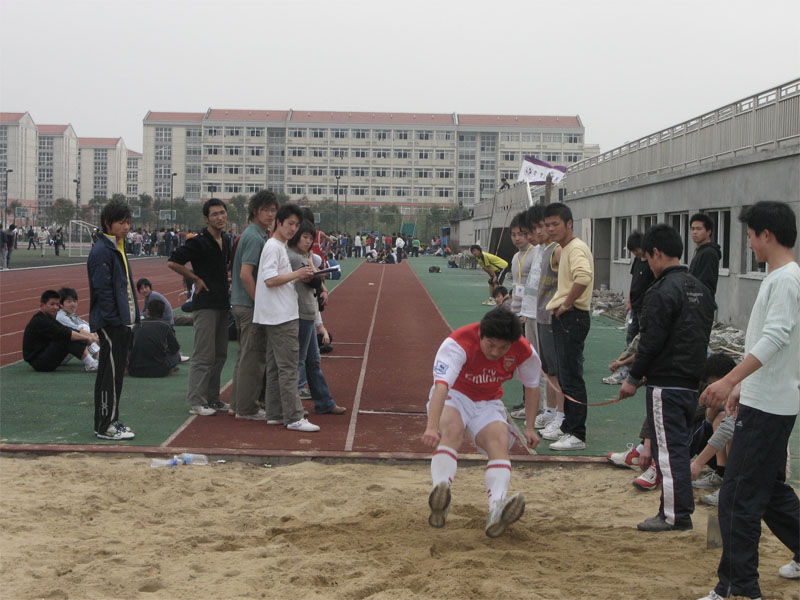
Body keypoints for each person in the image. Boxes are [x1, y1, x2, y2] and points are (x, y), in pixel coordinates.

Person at [697, 201, 800, 600]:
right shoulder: (781, 278)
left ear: (766, 235)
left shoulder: (786, 280)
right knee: (767, 493)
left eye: (751, 236)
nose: (750, 244)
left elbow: (775, 338)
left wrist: (730, 380)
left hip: (768, 408)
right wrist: (743, 386)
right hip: (767, 400)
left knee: (737, 498)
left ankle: (738, 589)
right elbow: (776, 344)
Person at [618, 223, 715, 531]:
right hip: (692, 381)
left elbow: (651, 341)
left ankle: (674, 515)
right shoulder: (701, 289)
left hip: (666, 383)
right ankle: (678, 511)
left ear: (656, 253)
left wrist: (633, 378)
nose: (648, 264)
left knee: (669, 452)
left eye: (647, 258)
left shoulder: (660, 291)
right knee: (678, 448)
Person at [422, 307, 541, 538]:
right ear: (481, 335)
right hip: (456, 395)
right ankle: (441, 494)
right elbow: (441, 387)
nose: (495, 352)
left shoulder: (524, 350)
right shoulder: (458, 343)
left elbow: (532, 385)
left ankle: (497, 508)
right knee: (453, 430)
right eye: (490, 345)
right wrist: (431, 427)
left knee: (499, 440)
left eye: (503, 348)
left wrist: (529, 427)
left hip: (488, 401)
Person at [253, 203, 320, 432]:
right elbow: (270, 280)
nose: (293, 229)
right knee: (289, 368)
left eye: (296, 225)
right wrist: (297, 274)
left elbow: (276, 278)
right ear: (278, 223)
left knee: (275, 367)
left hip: (277, 313)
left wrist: (296, 276)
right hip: (281, 316)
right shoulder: (273, 247)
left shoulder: (277, 246)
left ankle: (275, 412)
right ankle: (294, 416)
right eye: (290, 223)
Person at [167, 198, 231, 416]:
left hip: (223, 304)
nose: (220, 217)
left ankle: (213, 398)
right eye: (215, 214)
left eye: (222, 212)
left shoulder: (226, 240)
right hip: (205, 305)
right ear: (206, 218)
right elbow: (173, 261)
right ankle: (196, 401)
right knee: (203, 355)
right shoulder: (198, 241)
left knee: (220, 355)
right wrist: (195, 278)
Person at [543, 202, 594, 451]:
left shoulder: (575, 248)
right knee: (565, 376)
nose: (550, 229)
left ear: (569, 224)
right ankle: (567, 428)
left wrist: (565, 305)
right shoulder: (565, 249)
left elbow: (583, 277)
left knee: (572, 377)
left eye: (555, 224)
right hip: (567, 317)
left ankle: (577, 433)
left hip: (573, 317)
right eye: (547, 225)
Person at [87, 199, 139, 440]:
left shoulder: (117, 246)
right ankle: (107, 424)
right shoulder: (102, 251)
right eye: (121, 223)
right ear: (108, 223)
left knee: (113, 374)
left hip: (121, 321)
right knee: (111, 375)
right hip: (111, 323)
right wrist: (114, 320)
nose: (126, 227)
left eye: (128, 222)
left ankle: (107, 421)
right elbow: (103, 290)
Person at [287, 219, 346, 416]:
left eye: (311, 238)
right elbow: (313, 281)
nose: (308, 241)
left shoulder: (304, 256)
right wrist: (317, 275)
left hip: (308, 312)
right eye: (305, 237)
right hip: (300, 312)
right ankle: (292, 406)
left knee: (313, 361)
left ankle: (324, 402)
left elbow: (315, 278)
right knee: (299, 361)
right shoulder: (294, 257)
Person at [229, 190, 277, 420]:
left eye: (273, 210)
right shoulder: (255, 237)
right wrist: (260, 304)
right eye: (266, 210)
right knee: (253, 359)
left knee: (245, 357)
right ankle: (247, 408)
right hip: (249, 305)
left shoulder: (255, 234)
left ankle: (237, 404)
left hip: (241, 303)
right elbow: (245, 274)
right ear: (255, 211)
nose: (270, 214)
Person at [23, 290, 99, 372]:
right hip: (39, 363)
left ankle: (96, 359)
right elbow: (66, 333)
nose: (55, 307)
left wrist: (90, 338)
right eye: (52, 304)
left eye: (57, 304)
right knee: (68, 337)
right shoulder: (40, 320)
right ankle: (91, 363)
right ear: (42, 305)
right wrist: (88, 338)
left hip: (47, 354)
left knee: (73, 334)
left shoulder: (49, 317)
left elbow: (66, 329)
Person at [128, 299, 181, 378]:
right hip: (159, 371)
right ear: (162, 313)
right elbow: (175, 348)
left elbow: (129, 347)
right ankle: (169, 368)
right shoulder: (166, 325)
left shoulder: (137, 325)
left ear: (147, 311)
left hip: (135, 370)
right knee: (176, 355)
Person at [56, 287, 100, 360]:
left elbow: (89, 327)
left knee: (89, 330)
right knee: (83, 330)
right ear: (61, 304)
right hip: (58, 355)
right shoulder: (60, 317)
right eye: (69, 302)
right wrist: (96, 339)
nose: (73, 304)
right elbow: (78, 330)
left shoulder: (71, 315)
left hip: (67, 351)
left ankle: (98, 355)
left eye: (75, 301)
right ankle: (96, 357)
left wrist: (96, 334)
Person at [626, 231, 654, 344]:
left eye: (636, 250)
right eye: (633, 251)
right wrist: (629, 301)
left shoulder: (652, 262)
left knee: (643, 336)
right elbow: (634, 281)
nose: (635, 253)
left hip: (645, 307)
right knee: (631, 335)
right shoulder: (637, 260)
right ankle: (630, 352)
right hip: (634, 305)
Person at [689, 213, 721, 296]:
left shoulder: (709, 253)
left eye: (699, 229)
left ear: (708, 231)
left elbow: (706, 286)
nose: (694, 232)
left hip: (701, 301)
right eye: (692, 229)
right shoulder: (700, 251)